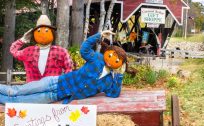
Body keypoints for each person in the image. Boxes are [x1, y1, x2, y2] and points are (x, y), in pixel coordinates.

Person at [0, 31, 135, 104]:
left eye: (118, 60)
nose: (113, 60)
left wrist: (120, 75)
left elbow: (114, 94)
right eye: (112, 55)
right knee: (16, 91)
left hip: (55, 96)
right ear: (107, 52)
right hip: (54, 82)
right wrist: (98, 36)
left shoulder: (109, 81)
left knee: (16, 101)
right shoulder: (97, 59)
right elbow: (85, 49)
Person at [10, 15, 73, 83]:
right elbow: (13, 50)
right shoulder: (29, 51)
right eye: (39, 31)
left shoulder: (61, 52)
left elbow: (69, 68)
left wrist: (64, 84)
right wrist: (23, 40)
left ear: (52, 33)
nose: (43, 34)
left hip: (52, 91)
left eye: (46, 30)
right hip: (32, 91)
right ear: (34, 34)